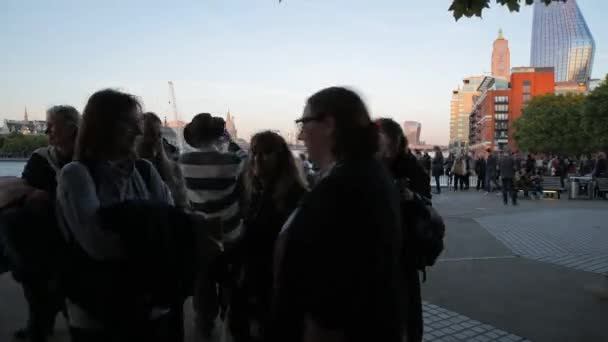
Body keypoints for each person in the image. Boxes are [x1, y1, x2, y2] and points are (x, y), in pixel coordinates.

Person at [272, 87, 405, 342]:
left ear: (328, 124)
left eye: (304, 122)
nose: (300, 134)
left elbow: (330, 291)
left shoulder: (341, 188)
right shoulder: (368, 174)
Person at [56, 89, 176, 341]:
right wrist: (154, 233)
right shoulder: (75, 175)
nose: (139, 132)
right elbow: (100, 247)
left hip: (150, 306)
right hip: (99, 312)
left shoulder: (144, 170)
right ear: (104, 126)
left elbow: (171, 224)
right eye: (130, 124)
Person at [3, 105, 79, 342]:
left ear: (71, 128)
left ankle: (42, 322)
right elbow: (26, 190)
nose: (47, 131)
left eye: (52, 126)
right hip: (49, 232)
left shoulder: (50, 159)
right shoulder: (42, 157)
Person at [228, 131, 307, 342]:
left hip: (274, 289)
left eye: (266, 153)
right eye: (254, 152)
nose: (257, 158)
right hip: (249, 283)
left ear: (280, 157)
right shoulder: (250, 189)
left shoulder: (295, 196)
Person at [179, 113, 247, 338]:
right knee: (232, 290)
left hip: (202, 238)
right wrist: (228, 138)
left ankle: (205, 332)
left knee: (204, 297)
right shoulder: (232, 161)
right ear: (218, 135)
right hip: (231, 236)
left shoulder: (183, 162)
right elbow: (244, 155)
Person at [376, 117, 430, 342]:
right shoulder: (371, 165)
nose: (384, 151)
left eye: (388, 146)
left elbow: (427, 202)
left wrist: (411, 197)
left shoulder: (411, 167)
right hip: (378, 251)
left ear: (398, 143)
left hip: (404, 249)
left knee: (408, 308)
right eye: (379, 145)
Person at [138, 112, 188, 209]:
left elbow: (181, 203)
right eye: (149, 134)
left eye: (159, 135)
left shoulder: (174, 168)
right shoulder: (130, 171)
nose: (156, 139)